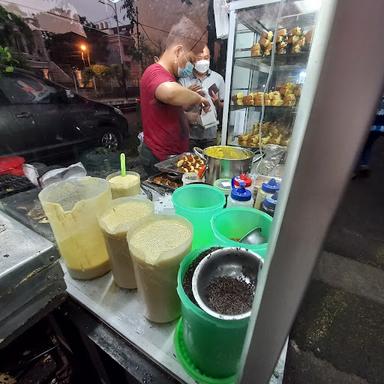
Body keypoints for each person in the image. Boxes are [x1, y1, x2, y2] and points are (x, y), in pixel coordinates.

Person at [139, 17, 210, 176]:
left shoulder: (169, 77)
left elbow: (164, 110)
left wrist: (184, 115)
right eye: (191, 60)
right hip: (159, 160)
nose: (191, 67)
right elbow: (170, 93)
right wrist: (199, 98)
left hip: (171, 158)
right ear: (178, 51)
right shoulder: (154, 72)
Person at [179, 45, 225, 150]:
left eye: (206, 58)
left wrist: (217, 102)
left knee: (210, 164)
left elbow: (223, 106)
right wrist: (188, 95)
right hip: (190, 134)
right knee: (190, 164)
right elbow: (177, 108)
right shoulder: (184, 80)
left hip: (210, 133)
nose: (203, 61)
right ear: (192, 60)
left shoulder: (218, 78)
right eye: (199, 59)